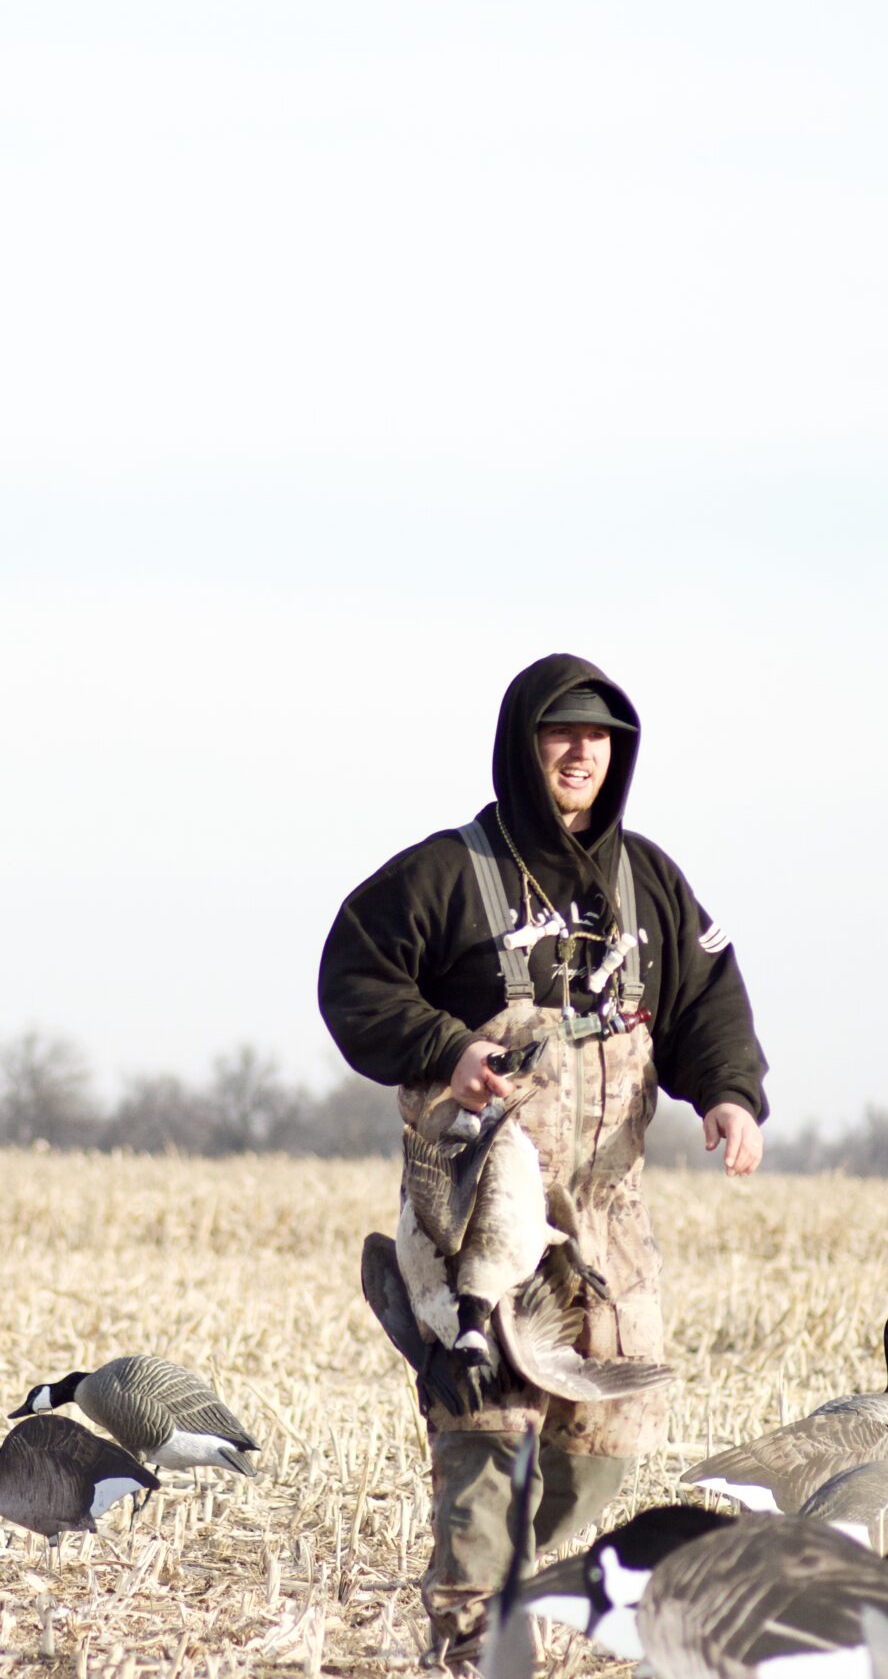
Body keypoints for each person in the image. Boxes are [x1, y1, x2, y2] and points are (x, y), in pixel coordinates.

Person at [318, 653, 768, 1668]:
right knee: (486, 1417)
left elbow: (707, 1001)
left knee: (611, 1436)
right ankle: (477, 1641)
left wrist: (731, 1097)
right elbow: (352, 975)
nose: (580, 752)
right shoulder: (444, 874)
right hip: (480, 1205)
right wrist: (447, 1046)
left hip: (606, 1215)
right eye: (559, 733)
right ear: (521, 746)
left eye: (599, 736)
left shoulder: (646, 880)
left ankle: (503, 1572)